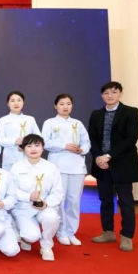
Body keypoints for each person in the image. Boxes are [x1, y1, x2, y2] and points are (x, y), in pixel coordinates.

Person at [88, 81, 138, 252]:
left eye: (113, 92)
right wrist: (98, 157)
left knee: (125, 201)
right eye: (106, 93)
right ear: (102, 95)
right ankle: (108, 232)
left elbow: (130, 139)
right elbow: (92, 139)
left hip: (122, 163)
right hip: (101, 165)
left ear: (120, 93)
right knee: (105, 200)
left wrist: (109, 156)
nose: (109, 96)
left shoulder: (131, 112)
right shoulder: (96, 114)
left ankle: (127, 236)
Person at [41, 93, 90, 246]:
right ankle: (61, 232)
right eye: (61, 104)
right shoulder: (50, 123)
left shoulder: (78, 123)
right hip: (58, 166)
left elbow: (86, 142)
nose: (65, 107)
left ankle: (71, 231)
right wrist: (64, 146)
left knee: (74, 201)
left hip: (77, 167)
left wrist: (82, 149)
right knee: (59, 201)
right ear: (55, 106)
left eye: (68, 104)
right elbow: (45, 143)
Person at [11, 134, 63, 261]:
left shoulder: (51, 167)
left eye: (37, 145)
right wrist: (28, 196)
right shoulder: (16, 167)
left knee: (52, 218)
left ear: (43, 148)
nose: (33, 149)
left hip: (44, 205)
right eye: (29, 146)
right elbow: (11, 191)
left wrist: (46, 203)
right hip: (23, 207)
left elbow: (58, 192)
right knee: (31, 237)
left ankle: (46, 245)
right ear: (23, 149)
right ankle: (21, 232)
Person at [0, 91, 41, 173]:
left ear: (23, 102)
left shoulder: (30, 119)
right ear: (8, 104)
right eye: (12, 101)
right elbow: (0, 140)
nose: (16, 103)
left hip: (29, 156)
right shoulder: (3, 120)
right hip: (10, 158)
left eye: (19, 100)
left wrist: (26, 143)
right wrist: (15, 141)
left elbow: (38, 138)